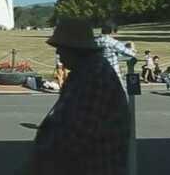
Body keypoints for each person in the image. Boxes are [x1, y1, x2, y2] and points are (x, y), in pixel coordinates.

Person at [32, 19, 129, 175]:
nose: (58, 53)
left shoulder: (94, 76)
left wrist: (42, 157)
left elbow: (77, 133)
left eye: (60, 48)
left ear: (74, 48)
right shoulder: (83, 71)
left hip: (95, 166)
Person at [94, 22, 136, 89]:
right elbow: (130, 53)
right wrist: (132, 47)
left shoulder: (95, 41)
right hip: (113, 74)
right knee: (120, 95)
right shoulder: (112, 42)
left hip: (99, 73)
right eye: (115, 31)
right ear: (112, 30)